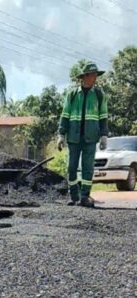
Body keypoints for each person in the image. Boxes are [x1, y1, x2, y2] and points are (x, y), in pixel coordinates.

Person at [57, 62, 108, 207]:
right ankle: (74, 196)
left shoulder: (99, 95)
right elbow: (65, 115)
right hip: (73, 137)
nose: (95, 78)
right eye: (93, 75)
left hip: (90, 138)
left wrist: (104, 135)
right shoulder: (72, 95)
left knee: (88, 168)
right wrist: (61, 135)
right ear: (85, 76)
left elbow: (103, 116)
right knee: (71, 168)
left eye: (96, 75)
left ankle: (85, 196)